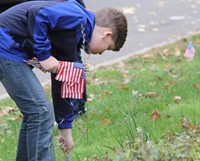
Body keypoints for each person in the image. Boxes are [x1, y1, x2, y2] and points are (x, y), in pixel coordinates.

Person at [0, 0, 128, 160]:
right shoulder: (77, 16)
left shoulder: (74, 43)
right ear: (106, 34)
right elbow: (38, 13)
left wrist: (65, 130)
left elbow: (62, 84)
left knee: (36, 113)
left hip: (10, 51)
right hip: (5, 45)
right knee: (41, 111)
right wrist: (44, 55)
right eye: (108, 48)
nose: (102, 53)